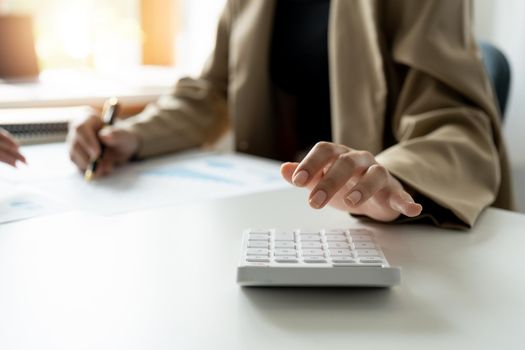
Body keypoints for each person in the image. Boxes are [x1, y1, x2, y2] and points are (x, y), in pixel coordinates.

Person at [68, 0, 514, 228]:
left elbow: (457, 121)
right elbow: (213, 90)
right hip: (275, 210)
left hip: (381, 228)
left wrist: (392, 177)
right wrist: (131, 134)